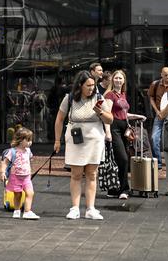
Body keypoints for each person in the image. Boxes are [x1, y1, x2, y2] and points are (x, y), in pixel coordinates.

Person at [54, 71, 113, 220]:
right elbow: (59, 119)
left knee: (92, 174)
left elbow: (110, 120)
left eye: (93, 85)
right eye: (88, 85)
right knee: (76, 174)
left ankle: (90, 208)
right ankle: (74, 208)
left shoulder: (99, 98)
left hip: (95, 140)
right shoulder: (69, 99)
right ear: (80, 85)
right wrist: (57, 140)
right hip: (76, 139)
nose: (92, 88)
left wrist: (100, 113)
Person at [104, 69, 132, 200]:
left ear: (124, 80)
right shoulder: (110, 95)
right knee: (123, 158)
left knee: (122, 159)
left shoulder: (123, 95)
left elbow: (124, 113)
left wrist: (138, 117)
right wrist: (108, 132)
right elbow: (107, 114)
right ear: (112, 80)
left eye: (121, 78)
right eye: (116, 78)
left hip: (124, 128)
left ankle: (117, 188)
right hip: (114, 127)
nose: (118, 80)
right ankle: (124, 189)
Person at [0, 126, 39, 220]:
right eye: (28, 140)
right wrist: (2, 172)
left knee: (30, 193)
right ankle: (17, 211)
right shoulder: (12, 151)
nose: (30, 142)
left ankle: (27, 211)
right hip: (15, 177)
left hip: (26, 177)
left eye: (31, 140)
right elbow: (5, 162)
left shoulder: (28, 151)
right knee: (18, 194)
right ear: (21, 140)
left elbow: (30, 160)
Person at [148, 67, 168, 168]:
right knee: (154, 138)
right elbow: (151, 98)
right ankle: (158, 162)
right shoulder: (155, 84)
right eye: (166, 75)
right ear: (161, 74)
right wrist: (156, 111)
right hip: (159, 115)